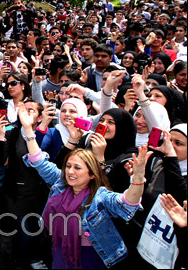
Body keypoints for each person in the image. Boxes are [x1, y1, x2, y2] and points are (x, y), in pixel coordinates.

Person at [18, 102, 152, 269]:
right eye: (68, 166)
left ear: (91, 174)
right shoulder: (61, 183)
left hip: (92, 257)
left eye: (77, 168)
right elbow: (38, 160)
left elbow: (128, 202)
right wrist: (28, 129)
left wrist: (138, 177)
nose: (70, 172)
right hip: (60, 253)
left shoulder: (100, 196)